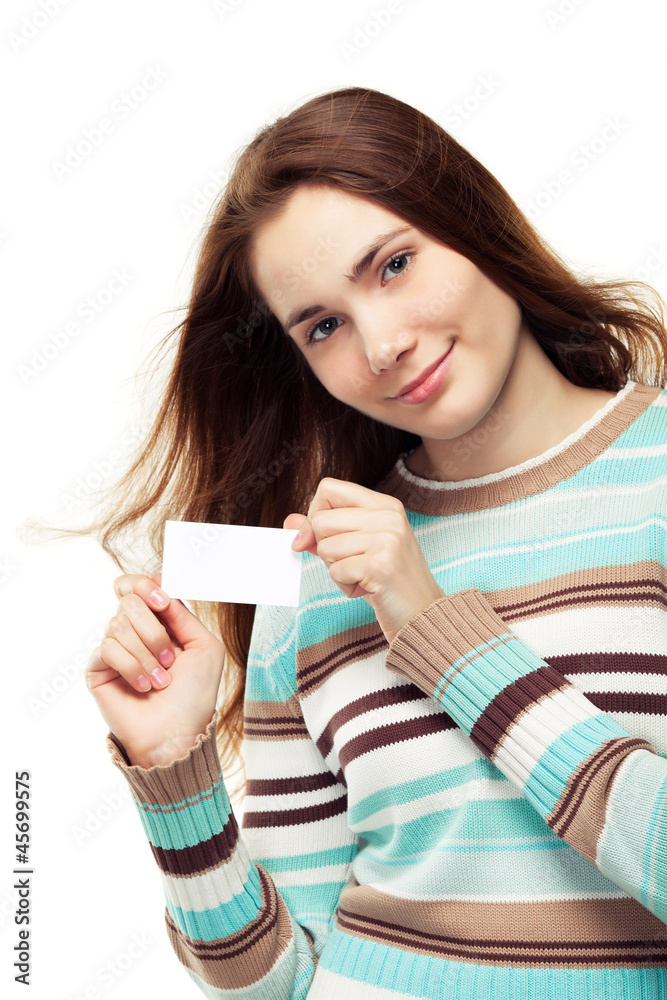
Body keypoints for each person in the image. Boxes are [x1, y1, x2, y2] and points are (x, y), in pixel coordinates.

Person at [82, 87, 667, 998]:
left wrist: (432, 625)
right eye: (323, 325)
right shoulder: (318, 574)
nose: (383, 344)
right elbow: (278, 983)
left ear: (472, 223)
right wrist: (176, 776)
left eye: (393, 265)